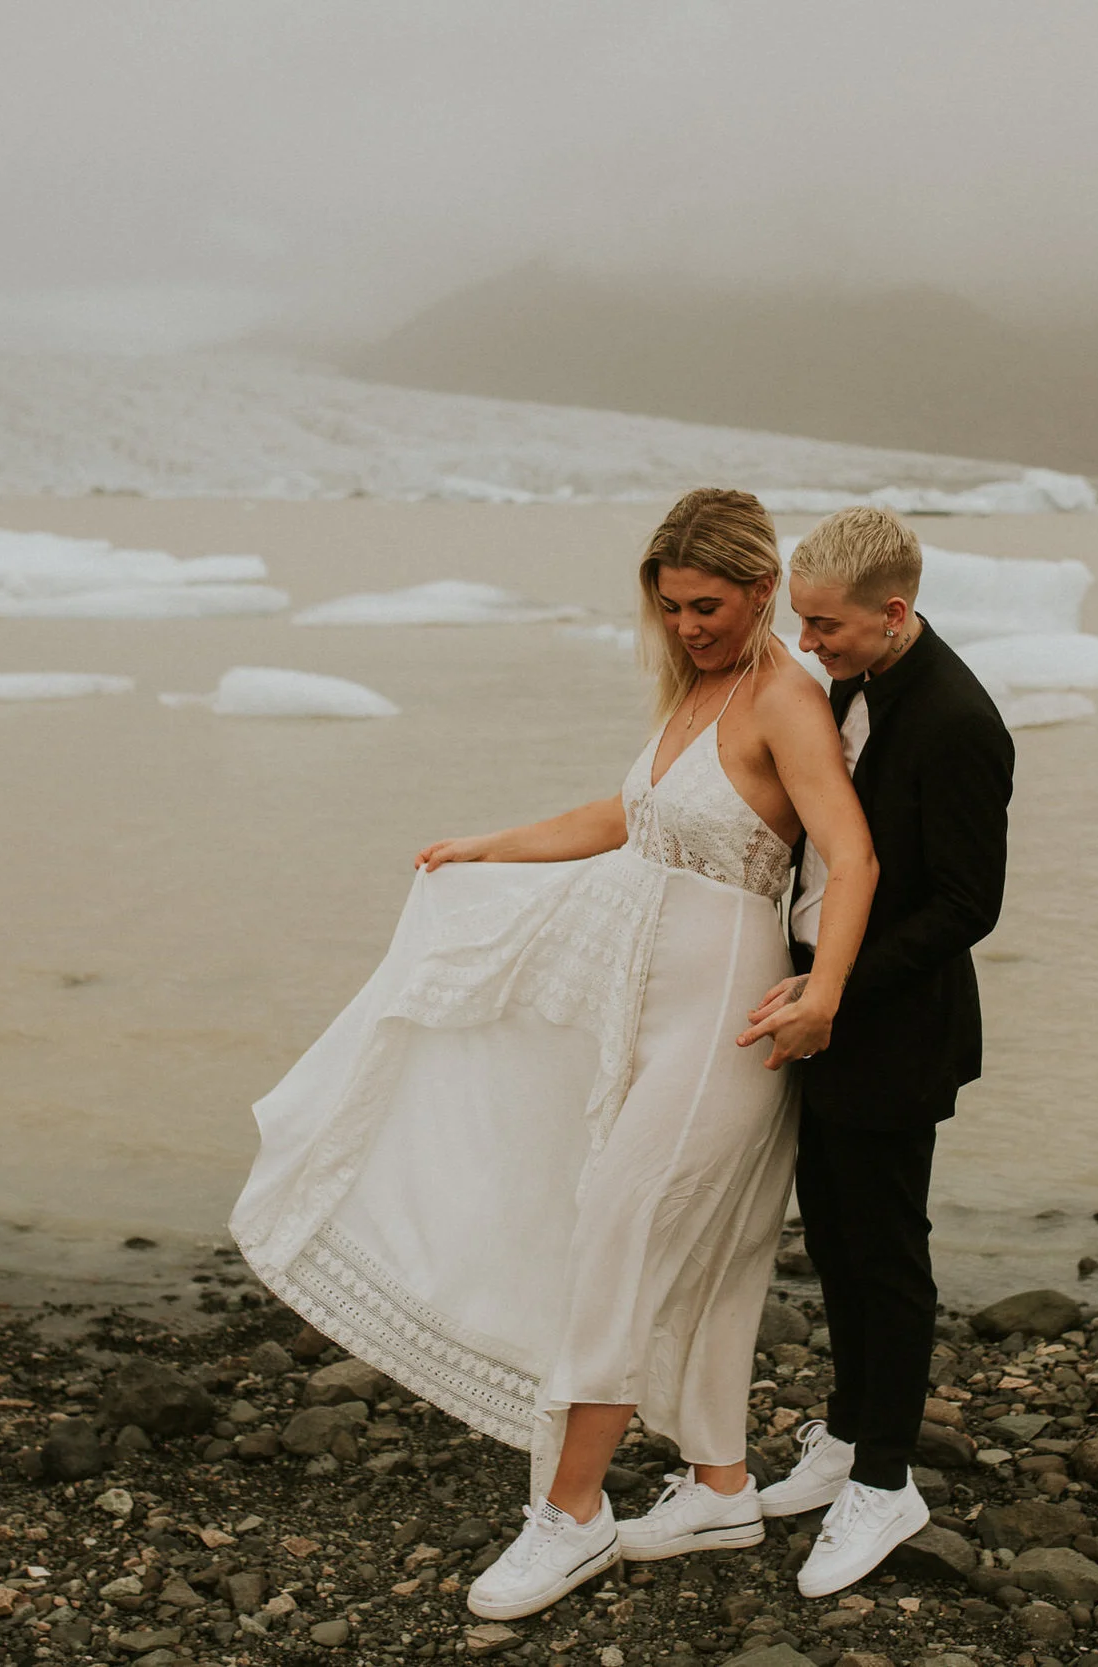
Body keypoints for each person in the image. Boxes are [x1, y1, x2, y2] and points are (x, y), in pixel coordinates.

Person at [229, 487, 877, 1622]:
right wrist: (492, 845)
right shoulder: (701, 691)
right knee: (700, 1249)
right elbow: (627, 814)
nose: (687, 625)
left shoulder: (785, 699)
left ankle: (571, 1511)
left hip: (732, 1023)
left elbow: (852, 854)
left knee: (617, 1233)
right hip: (653, 1013)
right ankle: (721, 1483)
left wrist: (821, 994)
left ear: (762, 587)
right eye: (671, 606)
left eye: (707, 604)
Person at [749, 506, 1016, 1598]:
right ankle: (847, 1431)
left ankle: (887, 1480)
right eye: (801, 623)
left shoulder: (958, 720)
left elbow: (967, 903)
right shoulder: (847, 683)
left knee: (886, 1250)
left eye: (825, 628)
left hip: (895, 1026)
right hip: (822, 1005)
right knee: (837, 1237)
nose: (807, 645)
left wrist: (835, 985)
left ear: (893, 612)